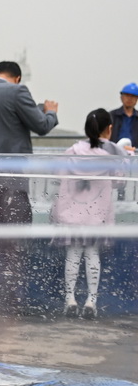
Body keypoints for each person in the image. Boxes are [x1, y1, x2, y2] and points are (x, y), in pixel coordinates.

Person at [0, 60, 58, 313]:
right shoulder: (18, 91)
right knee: (13, 245)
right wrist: (50, 112)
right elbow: (41, 126)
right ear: (16, 78)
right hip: (10, 184)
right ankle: (7, 304)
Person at [50, 108, 126, 319]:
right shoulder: (110, 156)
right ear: (109, 129)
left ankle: (70, 299)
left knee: (73, 256)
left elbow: (57, 174)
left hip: (71, 214)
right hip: (97, 215)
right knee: (93, 255)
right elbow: (119, 182)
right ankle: (91, 301)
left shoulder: (72, 152)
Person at [109, 82, 138, 149]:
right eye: (127, 95)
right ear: (121, 97)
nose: (129, 99)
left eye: (133, 96)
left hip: (135, 153)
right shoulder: (111, 116)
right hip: (114, 152)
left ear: (137, 99)